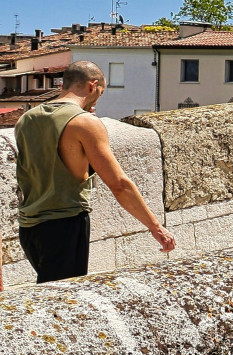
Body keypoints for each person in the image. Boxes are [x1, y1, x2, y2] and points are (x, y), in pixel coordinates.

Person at [14, 61, 174, 282]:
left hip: (29, 226)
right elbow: (119, 184)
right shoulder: (85, 123)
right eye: (100, 92)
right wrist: (156, 228)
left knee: (49, 292)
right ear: (92, 86)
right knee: (63, 301)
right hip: (65, 224)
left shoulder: (26, 119)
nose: (98, 97)